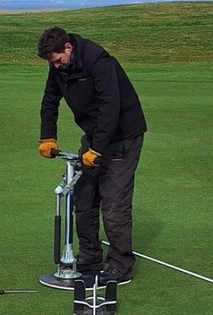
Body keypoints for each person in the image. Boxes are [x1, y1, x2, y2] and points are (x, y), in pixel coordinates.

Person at [36, 26, 147, 285]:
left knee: (114, 205)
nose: (56, 66)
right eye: (52, 63)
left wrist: (96, 149)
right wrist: (47, 137)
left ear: (68, 48)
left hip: (123, 135)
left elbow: (111, 106)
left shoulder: (98, 61)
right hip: (96, 133)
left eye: (58, 60)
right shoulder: (58, 67)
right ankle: (90, 257)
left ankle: (120, 264)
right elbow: (50, 100)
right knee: (84, 198)